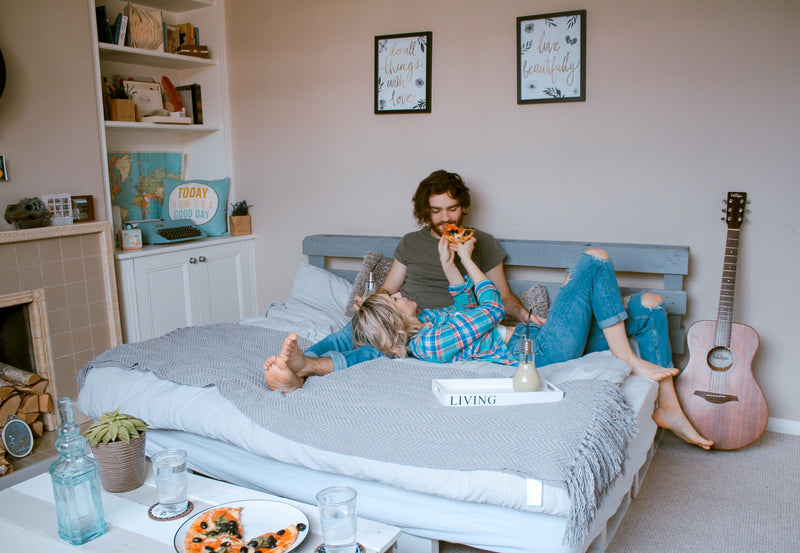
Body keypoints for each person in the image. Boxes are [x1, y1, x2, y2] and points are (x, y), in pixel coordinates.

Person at [265, 234, 714, 450]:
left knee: (651, 304)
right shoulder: (429, 344)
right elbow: (491, 307)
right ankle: (626, 357)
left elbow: (467, 303)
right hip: (541, 351)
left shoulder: (431, 319)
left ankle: (667, 404)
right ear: (395, 320)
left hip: (539, 336)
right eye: (397, 299)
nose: (401, 294)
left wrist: (453, 264)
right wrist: (469, 261)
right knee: (594, 259)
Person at [264, 170, 533, 386]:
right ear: (425, 211)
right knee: (353, 330)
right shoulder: (411, 242)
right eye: (436, 211)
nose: (445, 218)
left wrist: (526, 316)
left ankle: (310, 368)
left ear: (463, 207)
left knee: (376, 351)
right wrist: (371, 304)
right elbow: (388, 289)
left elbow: (503, 297)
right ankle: (298, 363)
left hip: (441, 326)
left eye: (452, 209)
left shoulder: (480, 242)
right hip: (402, 315)